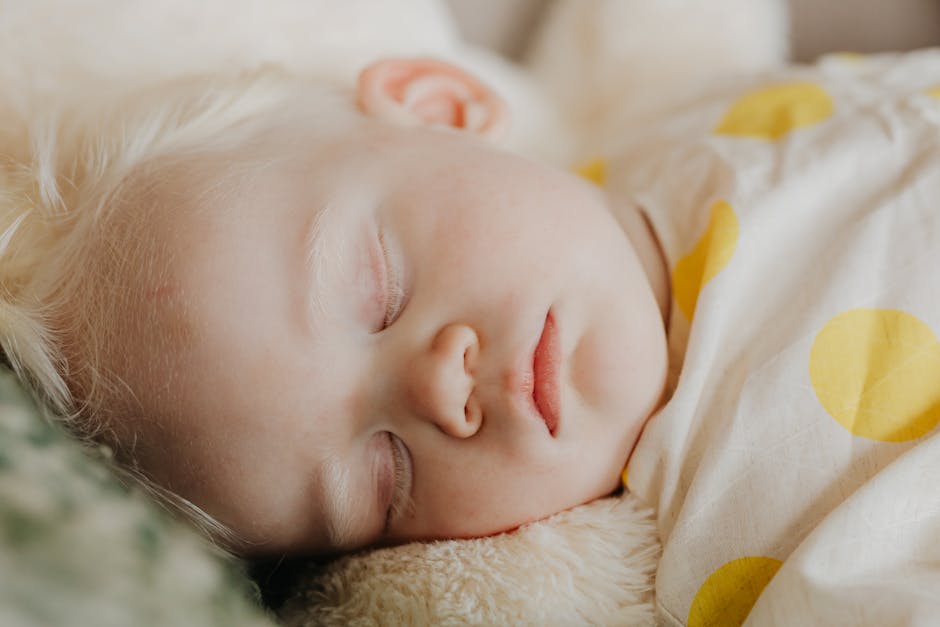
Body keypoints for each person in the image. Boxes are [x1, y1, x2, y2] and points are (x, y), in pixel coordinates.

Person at [0, 58, 670, 556]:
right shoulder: (720, 505)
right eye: (388, 478)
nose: (441, 386)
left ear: (441, 109)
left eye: (385, 293)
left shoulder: (668, 117)